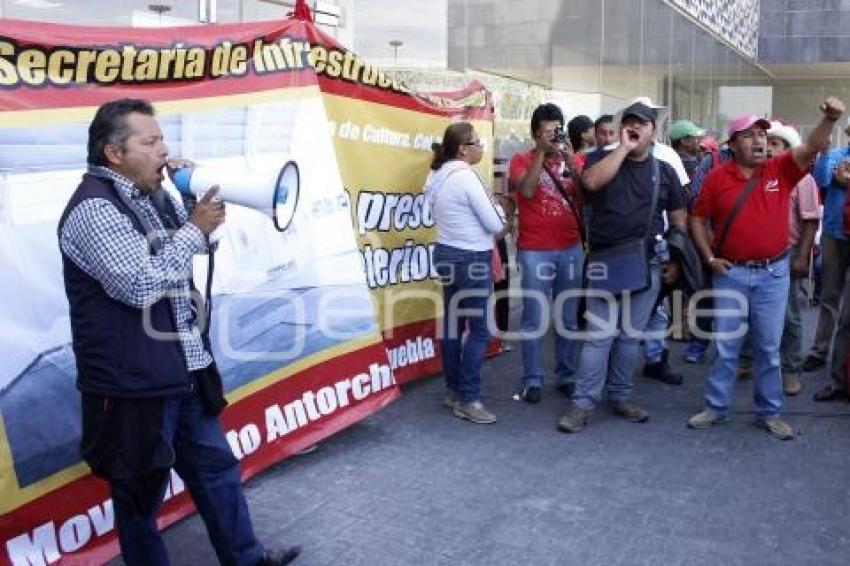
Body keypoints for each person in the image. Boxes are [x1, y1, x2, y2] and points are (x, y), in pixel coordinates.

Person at [57, 99, 300, 565]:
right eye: (150, 142)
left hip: (182, 366)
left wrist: (190, 204)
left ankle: (247, 559)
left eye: (161, 140)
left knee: (217, 470)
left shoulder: (151, 196)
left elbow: (198, 247)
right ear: (114, 154)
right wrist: (192, 228)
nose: (164, 151)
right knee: (139, 496)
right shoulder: (93, 208)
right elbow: (140, 284)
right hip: (135, 382)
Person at [687, 98, 844, 440]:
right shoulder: (716, 179)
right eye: (749, 135)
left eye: (762, 134)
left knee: (768, 349)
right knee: (727, 347)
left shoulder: (780, 169)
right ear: (732, 145)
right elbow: (696, 219)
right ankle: (716, 407)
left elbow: (813, 146)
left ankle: (768, 412)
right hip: (730, 274)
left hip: (774, 274)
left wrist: (830, 120)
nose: (759, 140)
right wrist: (708, 256)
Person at [557, 101, 687, 433]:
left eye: (641, 124)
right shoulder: (602, 158)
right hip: (605, 261)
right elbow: (591, 184)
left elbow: (678, 216)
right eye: (628, 123)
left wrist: (675, 255)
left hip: (648, 264)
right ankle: (582, 405)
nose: (635, 128)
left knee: (630, 339)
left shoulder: (665, 170)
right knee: (598, 338)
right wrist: (623, 148)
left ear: (653, 131)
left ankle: (620, 396)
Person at [425, 122, 507, 424]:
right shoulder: (466, 178)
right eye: (477, 142)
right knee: (480, 330)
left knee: (454, 325)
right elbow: (495, 224)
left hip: (446, 253)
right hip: (472, 257)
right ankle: (468, 399)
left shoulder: (436, 176)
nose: (481, 147)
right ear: (463, 149)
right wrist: (500, 211)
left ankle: (452, 390)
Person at [508, 103, 585, 404]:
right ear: (535, 132)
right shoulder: (520, 159)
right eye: (547, 131)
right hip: (535, 250)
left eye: (557, 129)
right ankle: (533, 379)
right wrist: (541, 152)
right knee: (534, 318)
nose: (554, 135)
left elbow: (585, 194)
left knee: (568, 318)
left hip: (570, 247)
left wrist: (571, 162)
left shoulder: (573, 159)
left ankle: (566, 375)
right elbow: (526, 191)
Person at [766, 121, 820, 396]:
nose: (767, 148)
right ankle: (751, 362)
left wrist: (802, 257)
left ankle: (791, 371)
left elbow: (810, 222)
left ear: (789, 150)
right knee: (756, 314)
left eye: (774, 144)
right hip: (760, 255)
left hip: (788, 255)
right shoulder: (759, 174)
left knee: (790, 318)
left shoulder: (804, 179)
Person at [804, 120, 850, 386]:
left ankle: (842, 360)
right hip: (835, 234)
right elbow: (820, 179)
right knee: (829, 296)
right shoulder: (835, 156)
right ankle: (820, 351)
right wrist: (823, 154)